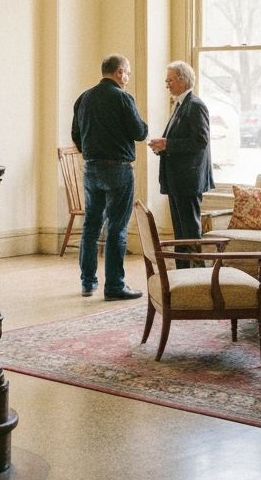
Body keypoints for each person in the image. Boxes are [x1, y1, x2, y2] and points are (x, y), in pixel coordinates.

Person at [71, 54, 147, 300]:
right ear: (119, 72)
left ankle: (87, 282)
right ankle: (114, 286)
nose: (128, 78)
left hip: (91, 169)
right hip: (118, 169)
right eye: (127, 73)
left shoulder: (84, 98)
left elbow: (76, 134)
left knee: (91, 226)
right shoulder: (123, 98)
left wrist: (91, 152)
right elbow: (139, 132)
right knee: (117, 227)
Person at [148, 61, 214, 268]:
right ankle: (182, 272)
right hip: (177, 178)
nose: (167, 84)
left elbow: (200, 141)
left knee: (190, 230)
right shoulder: (179, 105)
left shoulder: (195, 105)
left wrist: (168, 144)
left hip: (188, 179)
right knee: (180, 231)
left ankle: (196, 273)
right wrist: (162, 146)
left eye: (170, 80)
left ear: (183, 80)